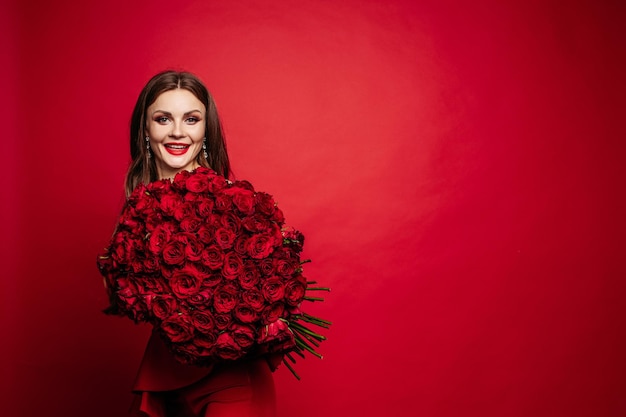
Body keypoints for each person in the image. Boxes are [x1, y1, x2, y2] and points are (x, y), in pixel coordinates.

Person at [116, 70, 280, 417]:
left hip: (232, 381)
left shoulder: (234, 203)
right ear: (145, 129)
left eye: (191, 119)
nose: (178, 131)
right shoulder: (135, 212)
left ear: (206, 130)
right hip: (166, 373)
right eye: (163, 119)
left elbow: (266, 285)